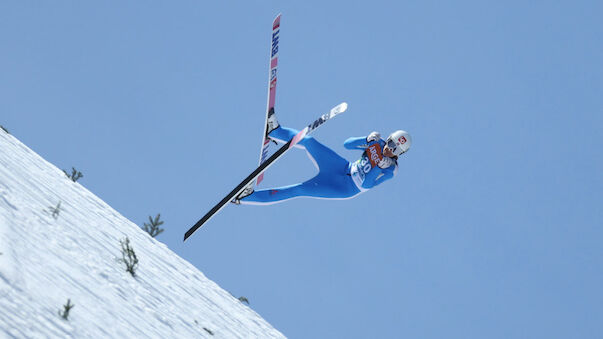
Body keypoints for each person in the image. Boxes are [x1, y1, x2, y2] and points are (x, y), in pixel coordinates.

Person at [234, 112, 411, 205]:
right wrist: (366, 140)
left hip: (344, 187)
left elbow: (366, 185)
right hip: (341, 168)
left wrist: (379, 167)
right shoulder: (378, 144)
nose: (388, 148)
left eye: (394, 148)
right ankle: (275, 131)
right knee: (310, 141)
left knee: (299, 190)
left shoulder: (391, 170)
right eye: (389, 141)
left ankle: (247, 197)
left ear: (399, 153)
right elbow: (347, 144)